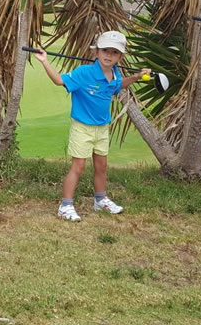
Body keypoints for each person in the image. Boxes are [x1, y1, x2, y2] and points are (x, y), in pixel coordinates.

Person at [33, 31, 151, 221]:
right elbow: (59, 81)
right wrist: (45, 61)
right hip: (83, 127)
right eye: (105, 50)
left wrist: (137, 76)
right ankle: (65, 205)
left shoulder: (114, 74)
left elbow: (118, 85)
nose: (109, 55)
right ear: (96, 52)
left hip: (102, 128)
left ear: (120, 57)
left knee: (101, 166)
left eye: (114, 52)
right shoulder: (84, 73)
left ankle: (100, 200)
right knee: (78, 167)